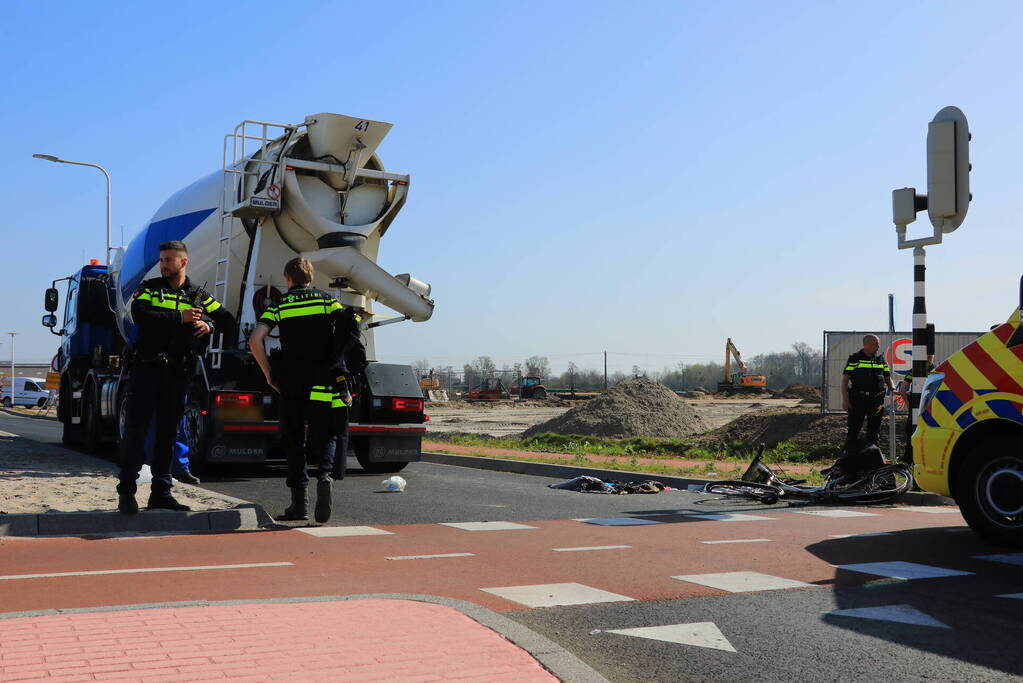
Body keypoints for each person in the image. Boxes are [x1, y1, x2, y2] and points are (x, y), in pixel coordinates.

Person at [117, 240, 234, 514]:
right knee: (136, 433)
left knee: (168, 436)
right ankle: (126, 491)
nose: (163, 264)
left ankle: (161, 493)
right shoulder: (150, 288)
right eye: (162, 259)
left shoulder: (198, 296)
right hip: (146, 371)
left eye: (169, 260)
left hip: (177, 374)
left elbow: (228, 320)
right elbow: (140, 315)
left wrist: (209, 324)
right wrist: (178, 317)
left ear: (183, 262)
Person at [248, 257, 356, 523]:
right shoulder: (325, 300)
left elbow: (255, 340)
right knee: (327, 433)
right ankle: (325, 476)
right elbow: (347, 324)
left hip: (292, 381)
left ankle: (299, 505)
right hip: (322, 379)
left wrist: (268, 373)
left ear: (287, 279)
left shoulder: (280, 304)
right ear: (311, 277)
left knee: (294, 438)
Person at [841, 334, 894, 456]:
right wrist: (845, 399)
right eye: (876, 343)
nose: (879, 346)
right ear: (867, 344)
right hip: (858, 400)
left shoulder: (881, 360)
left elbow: (887, 377)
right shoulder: (855, 359)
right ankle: (849, 457)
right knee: (854, 429)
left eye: (878, 343)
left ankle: (873, 457)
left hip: (876, 402)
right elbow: (844, 381)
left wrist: (892, 388)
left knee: (874, 430)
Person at [896, 354, 935, 464]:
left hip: (916, 405)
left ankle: (909, 459)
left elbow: (903, 389)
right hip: (931, 406)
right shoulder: (936, 370)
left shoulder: (915, 369)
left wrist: (909, 404)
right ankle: (925, 459)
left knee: (912, 431)